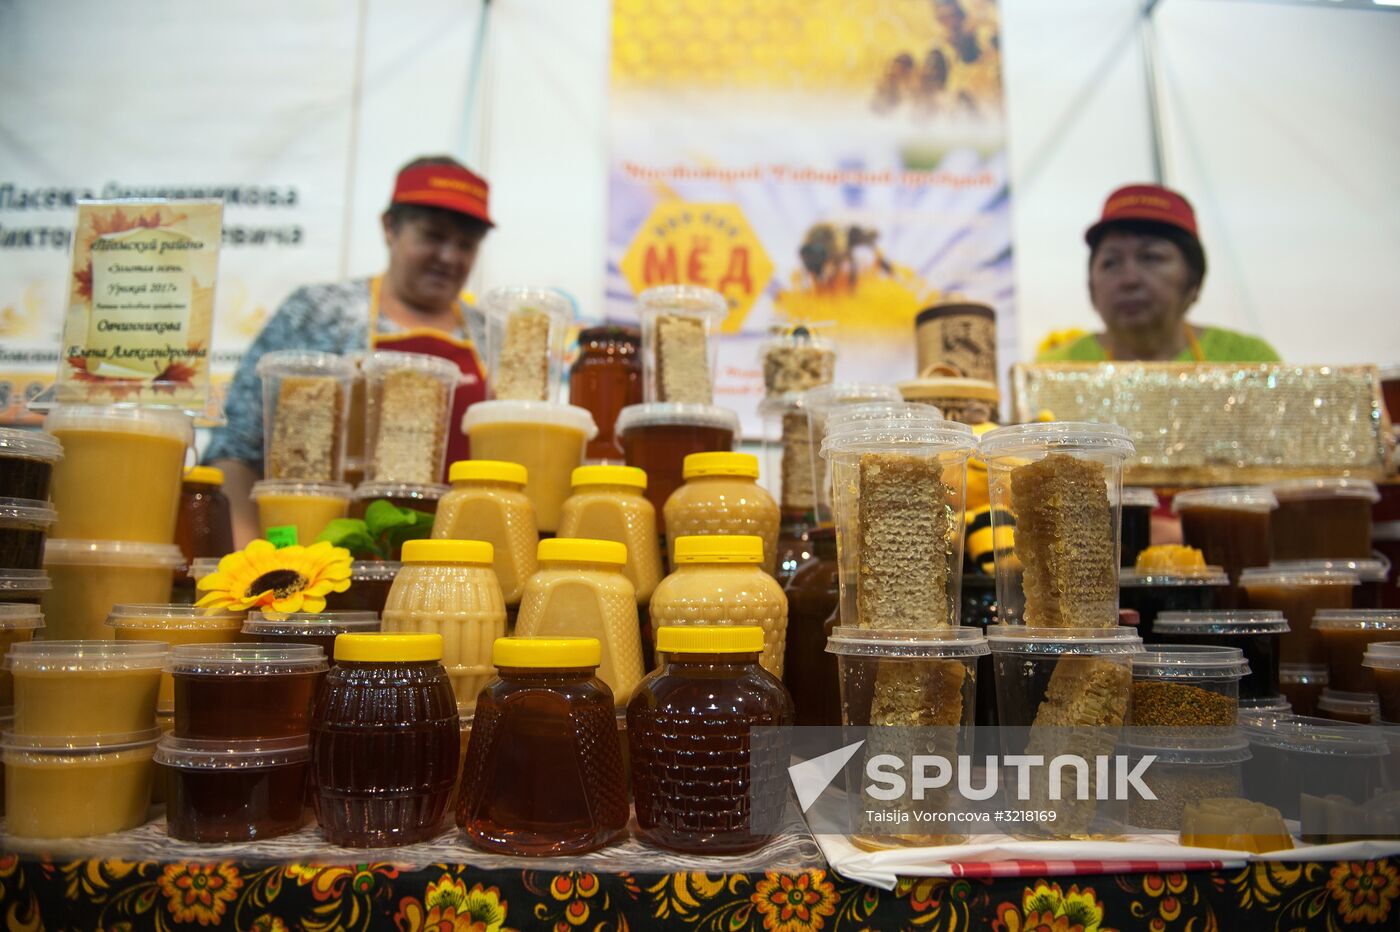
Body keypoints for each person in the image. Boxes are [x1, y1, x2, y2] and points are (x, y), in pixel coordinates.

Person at [205, 155, 494, 545]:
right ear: (390, 226)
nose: (449, 257)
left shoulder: (491, 337)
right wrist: (248, 555)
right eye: (432, 236)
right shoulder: (321, 311)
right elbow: (236, 445)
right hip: (322, 559)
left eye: (465, 244)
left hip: (460, 564)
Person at [1037, 183, 1280, 363]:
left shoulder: (1249, 361)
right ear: (1091, 286)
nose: (1129, 279)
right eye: (1111, 263)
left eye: (1151, 257)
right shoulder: (1053, 368)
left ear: (1194, 280)